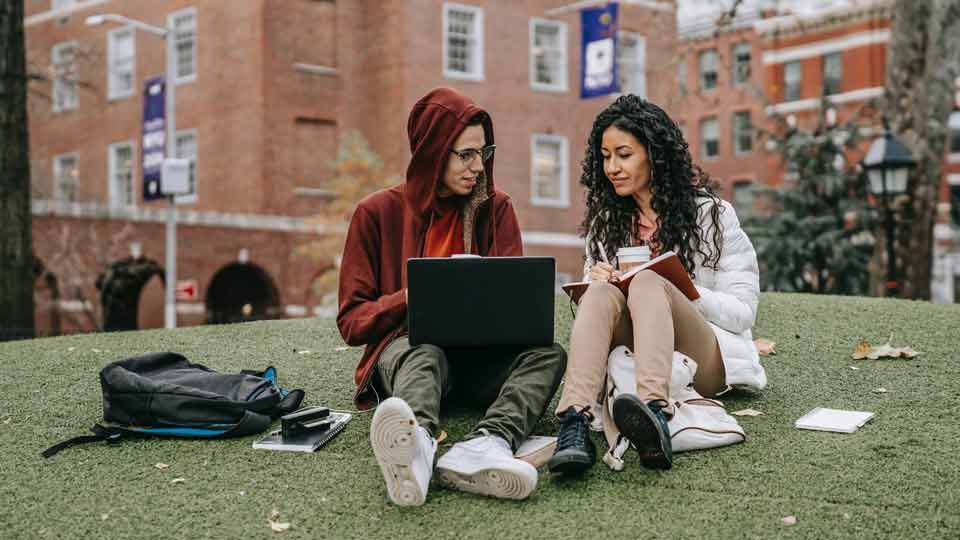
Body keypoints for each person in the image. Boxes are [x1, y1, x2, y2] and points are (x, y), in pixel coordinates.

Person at [337, 87, 567, 506]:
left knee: (550, 354)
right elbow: (352, 322)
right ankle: (418, 447)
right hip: (411, 355)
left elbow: (515, 303)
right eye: (466, 155)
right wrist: (413, 297)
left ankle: (488, 442)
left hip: (480, 363)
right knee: (425, 352)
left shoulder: (497, 209)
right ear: (433, 153)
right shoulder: (375, 213)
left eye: (484, 152)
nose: (479, 166)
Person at [547, 95, 761, 475]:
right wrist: (597, 282)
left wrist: (679, 287)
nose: (612, 168)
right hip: (632, 352)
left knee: (648, 280)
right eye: (605, 157)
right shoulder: (606, 223)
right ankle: (575, 422)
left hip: (702, 359)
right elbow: (599, 319)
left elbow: (743, 313)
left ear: (655, 155)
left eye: (624, 155)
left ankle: (654, 411)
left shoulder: (712, 215)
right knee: (600, 291)